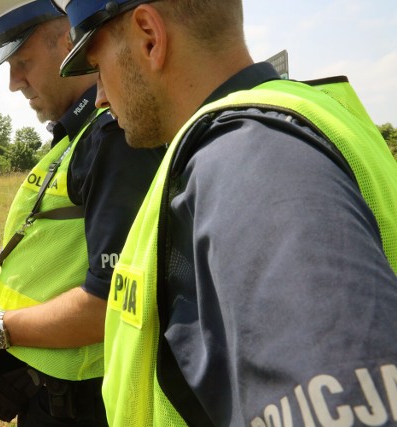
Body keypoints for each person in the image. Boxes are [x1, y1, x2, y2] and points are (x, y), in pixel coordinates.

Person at [54, 1, 397, 426]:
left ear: (149, 36)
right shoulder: (302, 114)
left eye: (98, 67)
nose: (101, 97)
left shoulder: (253, 158)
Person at [0, 1, 165, 426]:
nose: (15, 83)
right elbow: (65, 264)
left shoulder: (111, 137)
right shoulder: (76, 137)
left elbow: (110, 301)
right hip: (52, 395)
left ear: (70, 43)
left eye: (23, 61)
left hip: (84, 403)